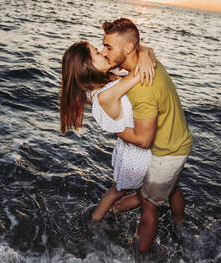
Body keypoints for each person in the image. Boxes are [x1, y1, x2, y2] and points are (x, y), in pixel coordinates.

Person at [100, 18, 193, 253]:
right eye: (103, 45)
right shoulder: (146, 61)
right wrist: (146, 52)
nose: (104, 52)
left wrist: (115, 128)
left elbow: (144, 140)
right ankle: (181, 226)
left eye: (108, 47)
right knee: (172, 187)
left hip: (167, 153)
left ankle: (140, 255)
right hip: (179, 142)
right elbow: (144, 49)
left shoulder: (142, 87)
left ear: (129, 48)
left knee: (149, 205)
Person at [60, 40, 156, 222]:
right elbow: (140, 72)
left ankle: (99, 218)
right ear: (88, 66)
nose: (103, 52)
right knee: (144, 195)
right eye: (96, 52)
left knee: (120, 190)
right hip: (136, 155)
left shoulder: (108, 77)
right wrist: (145, 55)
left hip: (130, 149)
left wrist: (143, 52)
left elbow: (138, 56)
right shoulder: (106, 92)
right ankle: (103, 217)